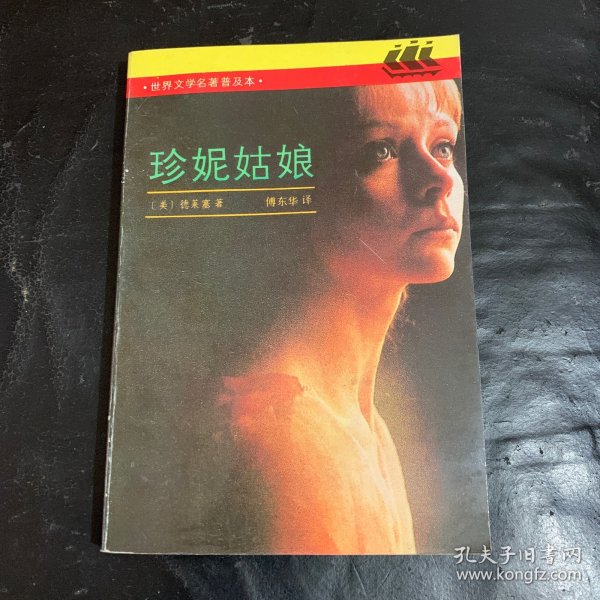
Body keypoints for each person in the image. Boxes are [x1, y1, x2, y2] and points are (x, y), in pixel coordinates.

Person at [217, 79, 464, 554]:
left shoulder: (366, 427)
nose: (440, 178)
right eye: (381, 151)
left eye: (443, 146)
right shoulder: (285, 431)